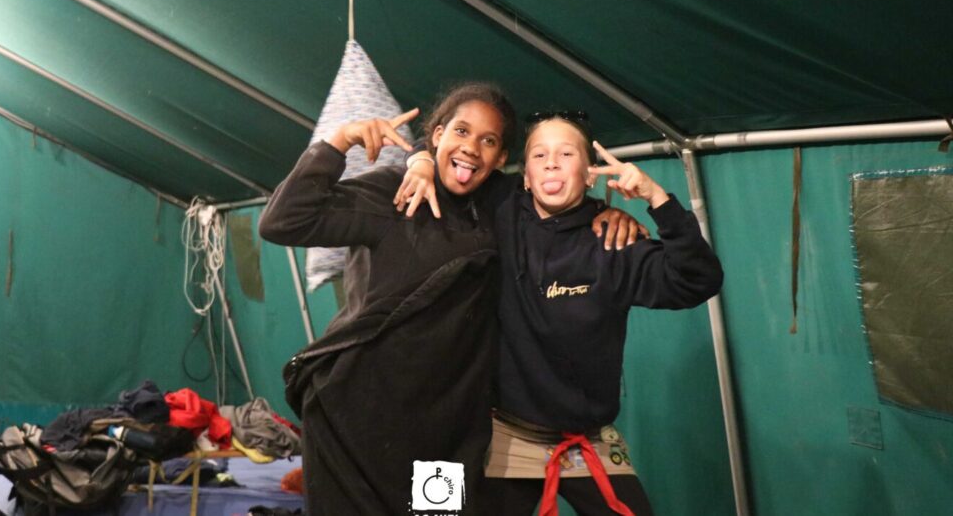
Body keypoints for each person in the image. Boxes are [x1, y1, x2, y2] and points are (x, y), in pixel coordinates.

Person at [258, 84, 641, 515]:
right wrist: (340, 141)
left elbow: (557, 198)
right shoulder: (392, 192)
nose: (471, 148)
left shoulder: (502, 206)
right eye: (461, 131)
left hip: (445, 432)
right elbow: (283, 221)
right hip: (354, 417)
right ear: (437, 134)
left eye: (488, 140)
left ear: (500, 158)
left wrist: (605, 214)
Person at [397, 110, 724, 516]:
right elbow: (452, 151)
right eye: (539, 155)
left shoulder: (613, 242)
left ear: (590, 175)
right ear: (525, 177)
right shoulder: (500, 208)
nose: (551, 163)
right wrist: (420, 161)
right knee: (433, 508)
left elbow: (699, 280)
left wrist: (657, 199)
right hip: (498, 431)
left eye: (566, 154)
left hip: (585, 439)